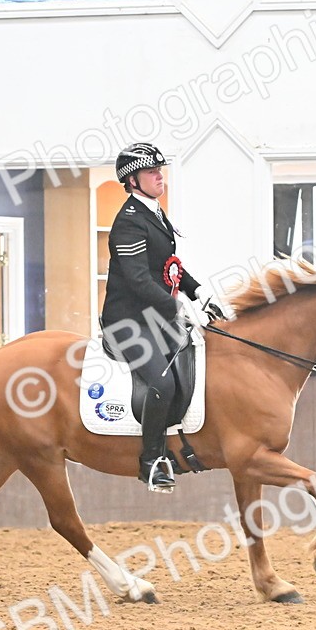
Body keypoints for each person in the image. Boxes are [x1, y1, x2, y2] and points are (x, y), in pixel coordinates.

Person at [100, 143, 223, 492]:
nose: (160, 176)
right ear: (133, 180)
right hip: (127, 323)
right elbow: (139, 280)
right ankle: (151, 462)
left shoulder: (154, 214)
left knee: (198, 363)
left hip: (155, 318)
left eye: (160, 170)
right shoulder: (128, 223)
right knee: (162, 382)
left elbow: (167, 269)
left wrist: (200, 293)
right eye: (152, 172)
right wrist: (179, 308)